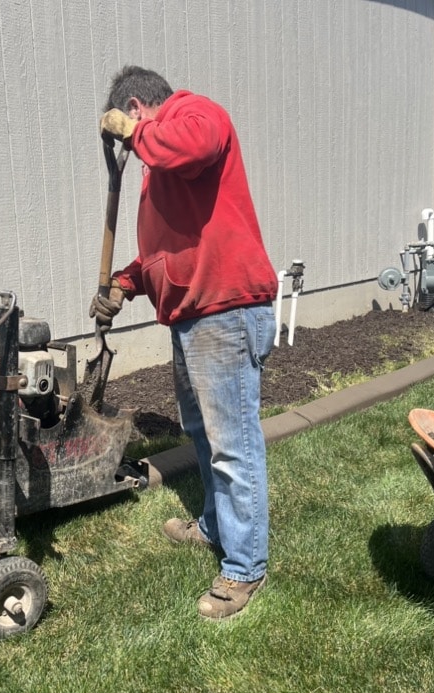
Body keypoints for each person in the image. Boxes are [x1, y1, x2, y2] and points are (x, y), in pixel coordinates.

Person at [92, 65, 278, 620]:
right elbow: (166, 255)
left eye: (133, 121)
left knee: (233, 443)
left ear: (136, 104)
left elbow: (193, 145)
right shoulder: (160, 163)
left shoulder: (194, 115)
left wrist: (132, 132)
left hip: (226, 309)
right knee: (203, 433)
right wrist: (126, 283)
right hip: (194, 315)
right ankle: (216, 526)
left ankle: (245, 568)